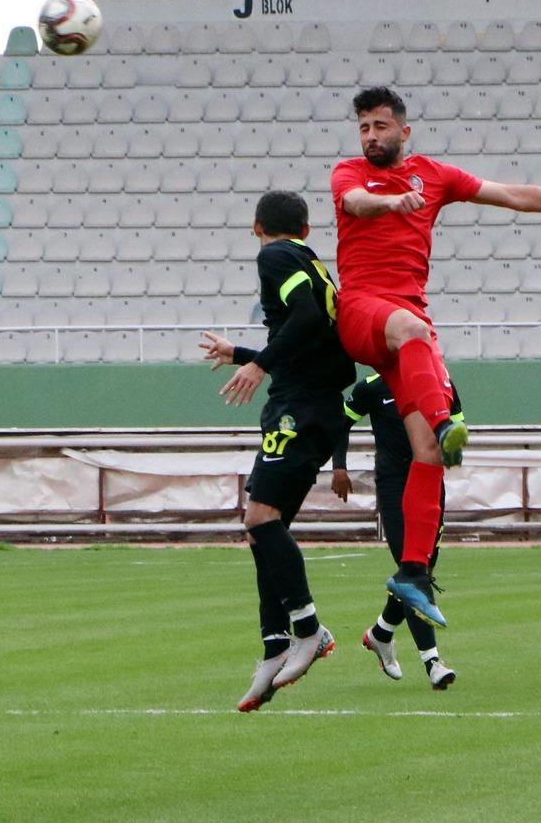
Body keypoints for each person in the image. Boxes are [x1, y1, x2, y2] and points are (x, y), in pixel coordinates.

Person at [331, 85, 541, 628]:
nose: (370, 136)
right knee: (415, 334)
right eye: (363, 128)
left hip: (406, 323)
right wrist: (390, 202)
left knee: (424, 450)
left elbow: (515, 195)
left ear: (404, 131)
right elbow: (354, 203)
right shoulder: (350, 174)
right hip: (361, 312)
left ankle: (413, 572)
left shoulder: (436, 175)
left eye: (379, 127)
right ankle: (450, 421)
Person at [199, 190, 356, 712]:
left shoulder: (274, 255)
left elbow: (307, 320)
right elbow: (310, 335)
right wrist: (243, 352)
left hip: (298, 407)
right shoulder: (313, 262)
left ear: (256, 226)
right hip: (315, 402)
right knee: (265, 530)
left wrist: (259, 364)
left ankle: (308, 630)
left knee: (260, 519)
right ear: (308, 229)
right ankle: (273, 645)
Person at [330, 373, 462, 690]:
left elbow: (455, 428)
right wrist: (339, 467)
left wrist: (454, 451)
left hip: (430, 484)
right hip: (394, 488)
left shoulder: (441, 382)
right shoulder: (373, 386)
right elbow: (340, 423)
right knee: (413, 571)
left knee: (420, 570)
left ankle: (381, 632)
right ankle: (432, 662)